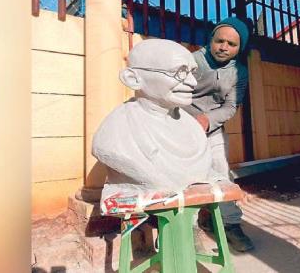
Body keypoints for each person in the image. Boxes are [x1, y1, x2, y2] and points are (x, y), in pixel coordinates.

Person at [92, 39, 224, 211]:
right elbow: (110, 151)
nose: (192, 82)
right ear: (133, 79)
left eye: (192, 72)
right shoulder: (115, 132)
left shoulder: (191, 125)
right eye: (180, 72)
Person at [183, 17, 255, 252]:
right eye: (219, 40)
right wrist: (189, 120)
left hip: (212, 129)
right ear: (211, 40)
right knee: (183, 176)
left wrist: (207, 120)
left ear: (239, 48)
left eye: (231, 44)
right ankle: (187, 228)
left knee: (221, 174)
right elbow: (173, 93)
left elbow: (231, 106)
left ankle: (229, 224)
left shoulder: (239, 72)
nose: (224, 47)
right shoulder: (191, 61)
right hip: (179, 126)